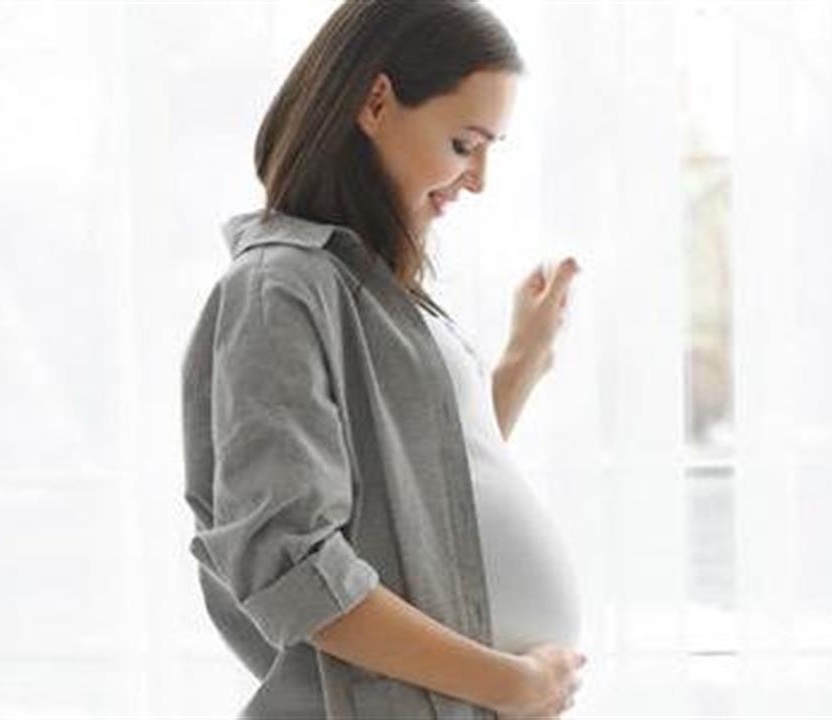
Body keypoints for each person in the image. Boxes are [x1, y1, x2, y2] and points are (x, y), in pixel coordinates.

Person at [179, 1, 586, 718]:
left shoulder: (375, 291)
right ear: (375, 103)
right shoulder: (279, 288)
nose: (479, 179)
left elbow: (422, 491)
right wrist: (510, 684)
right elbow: (292, 566)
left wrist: (522, 361)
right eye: (464, 144)